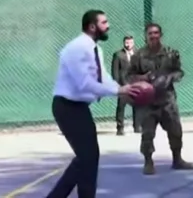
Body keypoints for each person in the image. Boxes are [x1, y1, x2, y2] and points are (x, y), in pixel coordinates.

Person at [48, 10, 142, 198]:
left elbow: (103, 78)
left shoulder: (95, 49)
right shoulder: (77, 48)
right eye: (104, 22)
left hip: (79, 108)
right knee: (87, 157)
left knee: (89, 157)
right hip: (66, 107)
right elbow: (84, 83)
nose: (108, 26)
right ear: (92, 26)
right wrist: (118, 91)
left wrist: (124, 89)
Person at [127, 22, 193, 175]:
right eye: (150, 33)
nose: (153, 36)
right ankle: (148, 162)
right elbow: (129, 76)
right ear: (145, 36)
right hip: (148, 101)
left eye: (156, 33)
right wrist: (143, 77)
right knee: (147, 133)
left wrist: (169, 78)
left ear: (161, 35)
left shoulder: (171, 53)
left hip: (167, 100)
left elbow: (179, 72)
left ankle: (177, 159)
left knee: (175, 130)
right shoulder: (138, 56)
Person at [110, 35, 140, 135]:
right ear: (124, 43)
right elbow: (115, 71)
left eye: (130, 42)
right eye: (127, 42)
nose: (128, 44)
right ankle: (120, 128)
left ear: (133, 43)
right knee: (121, 106)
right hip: (123, 85)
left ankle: (137, 126)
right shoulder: (118, 55)